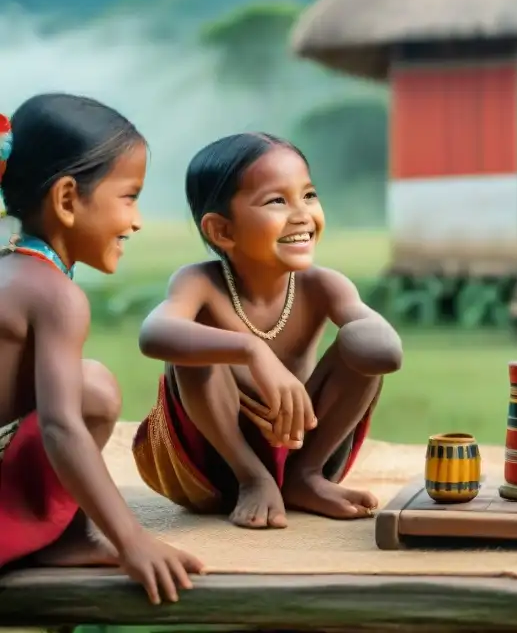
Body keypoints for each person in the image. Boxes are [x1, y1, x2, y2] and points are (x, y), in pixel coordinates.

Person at [132, 132, 403, 530]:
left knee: (360, 344)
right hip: (216, 457)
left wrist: (362, 331)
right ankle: (253, 478)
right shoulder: (200, 283)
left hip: (301, 443)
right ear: (222, 231)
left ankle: (305, 478)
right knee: (191, 348)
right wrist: (250, 350)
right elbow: (154, 334)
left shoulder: (323, 286)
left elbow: (384, 354)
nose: (302, 214)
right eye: (277, 201)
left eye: (308, 195)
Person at [0, 93, 204, 604]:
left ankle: (65, 538)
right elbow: (61, 426)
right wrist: (131, 539)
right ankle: (55, 536)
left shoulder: (14, 271)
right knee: (91, 391)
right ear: (68, 200)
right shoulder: (56, 296)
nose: (135, 221)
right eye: (129, 197)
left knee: (88, 384)